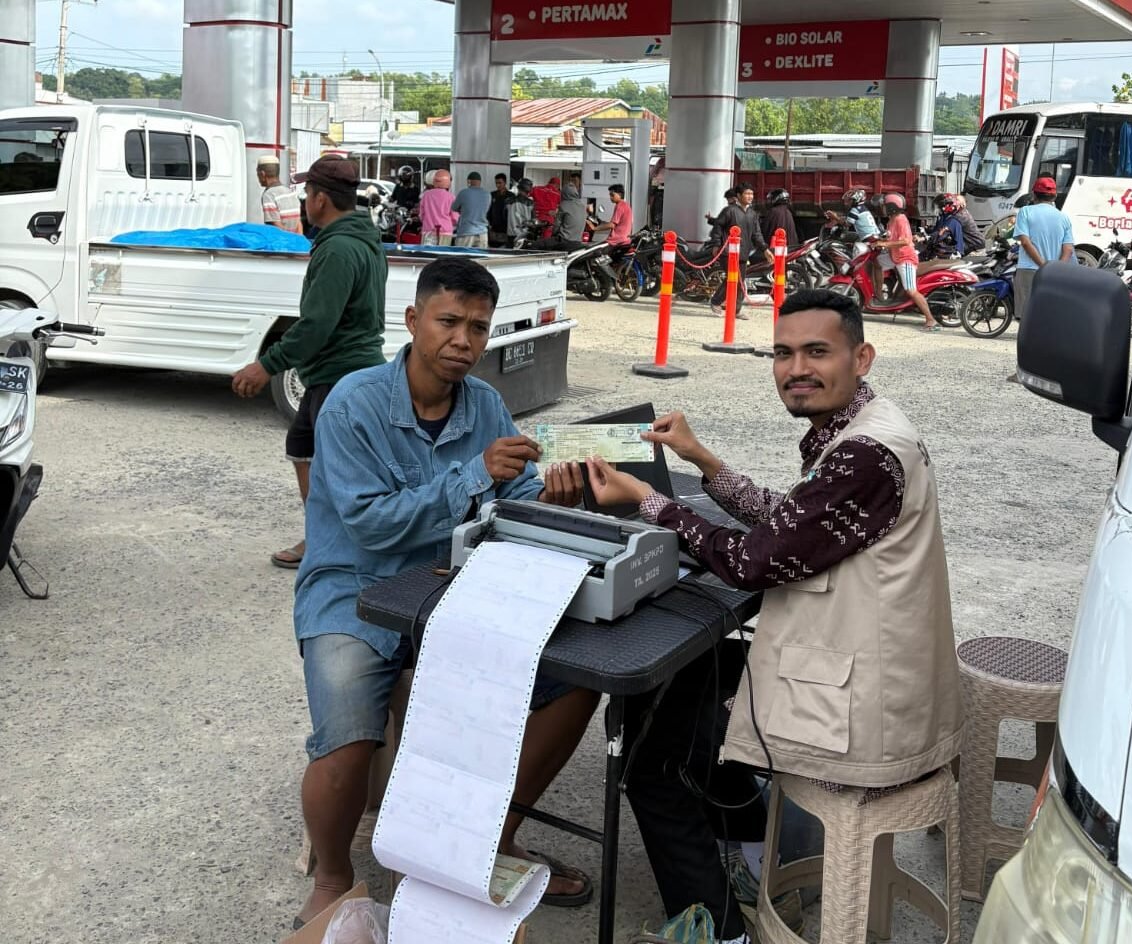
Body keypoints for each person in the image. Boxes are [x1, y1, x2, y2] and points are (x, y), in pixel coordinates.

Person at [583, 288, 963, 944]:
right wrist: (702, 460)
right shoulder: (863, 427)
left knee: (652, 763)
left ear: (861, 358)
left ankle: (722, 929)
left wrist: (650, 501)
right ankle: (758, 851)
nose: (796, 369)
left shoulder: (866, 454)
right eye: (783, 354)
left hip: (861, 702)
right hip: (867, 668)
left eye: (817, 352)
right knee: (688, 688)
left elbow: (754, 560)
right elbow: (791, 520)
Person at [292, 257, 597, 925]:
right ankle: (334, 873)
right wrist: (475, 475)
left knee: (574, 683)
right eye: (449, 322)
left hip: (454, 587)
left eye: (478, 328)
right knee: (347, 734)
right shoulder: (353, 403)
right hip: (353, 590)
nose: (463, 340)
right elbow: (369, 525)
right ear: (413, 320)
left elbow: (513, 496)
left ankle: (494, 839)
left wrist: (554, 493)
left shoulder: (485, 404)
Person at [231, 154, 387, 569]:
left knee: (333, 463)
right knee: (304, 447)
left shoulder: (338, 249)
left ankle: (335, 545)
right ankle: (323, 537)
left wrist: (266, 365)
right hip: (342, 370)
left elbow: (317, 324)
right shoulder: (363, 240)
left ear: (320, 199)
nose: (304, 202)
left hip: (340, 372)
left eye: (308, 194)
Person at [1012, 176, 1074, 321]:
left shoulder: (1025, 212)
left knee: (1026, 315)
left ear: (1034, 195)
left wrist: (1042, 265)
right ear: (1055, 196)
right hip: (1054, 273)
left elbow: (1025, 242)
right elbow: (1068, 249)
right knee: (1049, 314)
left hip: (1028, 269)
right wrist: (1056, 268)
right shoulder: (1064, 217)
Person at [875, 193, 938, 331]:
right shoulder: (891, 220)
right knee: (877, 263)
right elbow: (891, 238)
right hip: (894, 256)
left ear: (891, 207)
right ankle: (879, 296)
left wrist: (885, 244)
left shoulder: (900, 219)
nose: (882, 208)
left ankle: (930, 320)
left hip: (905, 258)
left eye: (885, 206)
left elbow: (905, 241)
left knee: (911, 290)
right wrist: (879, 241)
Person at [709, 183, 766, 319]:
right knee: (732, 278)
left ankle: (736, 310)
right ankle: (716, 301)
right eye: (747, 194)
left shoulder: (752, 214)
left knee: (741, 281)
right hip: (727, 251)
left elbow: (757, 234)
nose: (750, 196)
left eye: (751, 194)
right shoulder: (729, 211)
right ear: (739, 196)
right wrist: (716, 244)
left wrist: (765, 249)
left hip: (743, 252)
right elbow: (718, 227)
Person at [531, 182, 586, 251]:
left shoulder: (564, 205)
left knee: (535, 245)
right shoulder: (582, 206)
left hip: (563, 241)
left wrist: (553, 235)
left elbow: (556, 226)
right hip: (577, 242)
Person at [257, 155, 303, 235]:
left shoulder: (269, 195)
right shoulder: (290, 192)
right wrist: (298, 240)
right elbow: (298, 223)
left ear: (262, 174)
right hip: (295, 240)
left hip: (282, 242)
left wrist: (286, 240)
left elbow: (276, 227)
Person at [451, 171, 491, 248]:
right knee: (480, 255)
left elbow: (453, 208)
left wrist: (462, 210)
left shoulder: (463, 193)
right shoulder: (487, 194)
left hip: (466, 232)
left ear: (469, 181)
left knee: (462, 255)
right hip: (482, 233)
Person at [417, 169, 457, 245]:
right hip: (445, 232)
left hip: (428, 231)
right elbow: (455, 218)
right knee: (442, 252)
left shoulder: (426, 195)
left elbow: (421, 215)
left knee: (427, 252)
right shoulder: (451, 197)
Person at [589, 183, 633, 249]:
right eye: (610, 195)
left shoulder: (619, 206)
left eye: (612, 195)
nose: (611, 197)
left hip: (617, 241)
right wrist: (602, 222)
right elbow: (619, 223)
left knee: (595, 250)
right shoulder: (626, 205)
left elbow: (612, 225)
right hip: (625, 239)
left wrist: (595, 228)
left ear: (620, 194)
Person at [924, 193, 966, 261]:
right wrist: (927, 230)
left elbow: (939, 234)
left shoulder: (953, 220)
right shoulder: (943, 217)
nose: (938, 209)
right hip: (941, 250)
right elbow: (936, 230)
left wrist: (924, 238)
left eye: (939, 207)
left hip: (952, 254)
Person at [487, 173, 515, 247]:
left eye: (500, 183)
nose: (498, 185)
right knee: (492, 248)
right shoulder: (492, 195)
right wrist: (489, 224)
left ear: (505, 183)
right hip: (494, 228)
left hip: (506, 229)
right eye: (496, 183)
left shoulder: (511, 196)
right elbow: (489, 210)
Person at [506, 177, 536, 245]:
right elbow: (533, 221)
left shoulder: (508, 201)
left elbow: (504, 217)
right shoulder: (531, 203)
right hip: (524, 235)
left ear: (518, 188)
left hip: (511, 234)